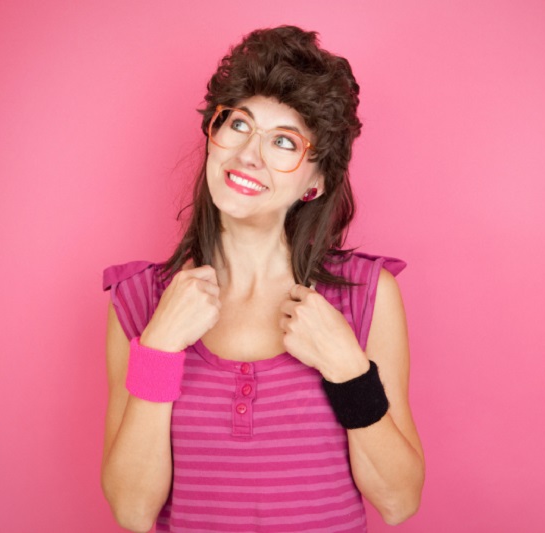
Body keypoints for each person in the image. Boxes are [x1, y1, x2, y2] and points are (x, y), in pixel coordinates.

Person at [101, 25, 424, 533]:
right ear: (213, 133)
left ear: (315, 181)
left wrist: (348, 371)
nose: (248, 154)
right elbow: (132, 511)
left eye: (283, 141)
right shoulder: (139, 301)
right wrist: (158, 349)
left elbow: (400, 501)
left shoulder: (366, 297)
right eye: (238, 125)